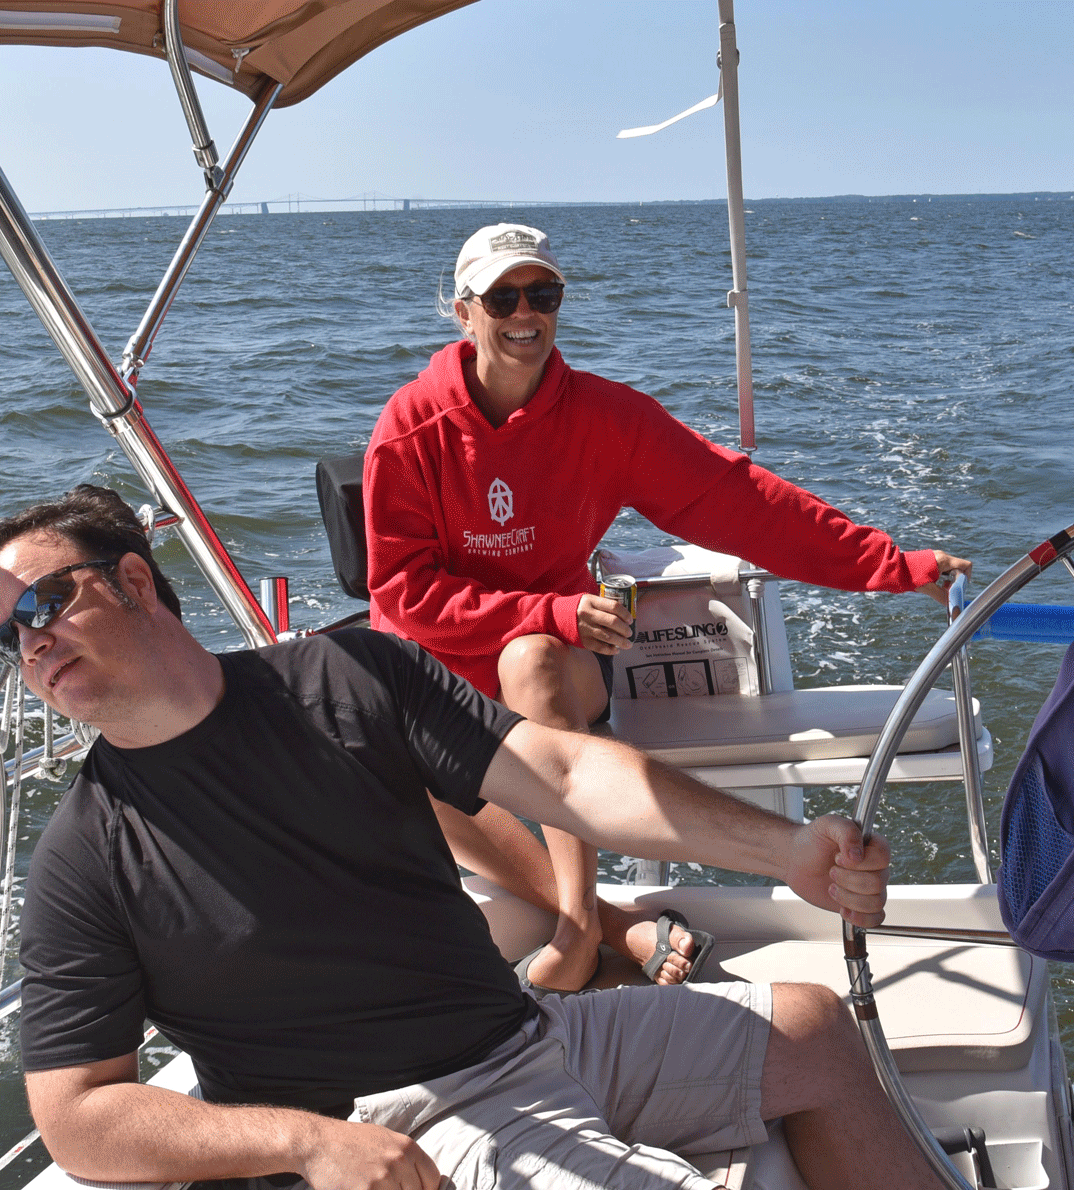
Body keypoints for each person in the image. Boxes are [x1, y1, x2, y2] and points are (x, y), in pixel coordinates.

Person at [0, 483, 943, 1190]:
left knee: (815, 1027)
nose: (30, 642)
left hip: (527, 1031)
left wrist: (788, 851)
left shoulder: (344, 679)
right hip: (403, 1116)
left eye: (45, 601)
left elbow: (559, 771)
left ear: (132, 578)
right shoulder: (87, 854)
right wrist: (305, 1141)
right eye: (7, 636)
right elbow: (78, 1111)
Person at [364, 222, 973, 995]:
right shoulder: (410, 430)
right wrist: (546, 608)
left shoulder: (605, 420)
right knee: (378, 738)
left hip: (556, 663)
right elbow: (401, 596)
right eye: (504, 295)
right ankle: (615, 923)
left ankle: (581, 929)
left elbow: (743, 503)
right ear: (464, 311)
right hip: (448, 666)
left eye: (543, 293)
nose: (527, 312)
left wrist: (892, 566)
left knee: (532, 659)